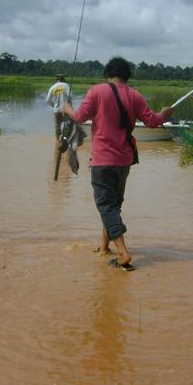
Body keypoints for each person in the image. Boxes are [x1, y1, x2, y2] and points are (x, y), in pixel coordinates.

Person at [63, 57, 173, 268]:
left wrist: (67, 108)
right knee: (113, 204)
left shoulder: (97, 91)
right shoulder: (135, 96)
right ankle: (105, 247)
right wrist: (165, 113)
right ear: (127, 75)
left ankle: (123, 253)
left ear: (108, 73)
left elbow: (79, 116)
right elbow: (153, 122)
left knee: (106, 205)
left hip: (103, 160)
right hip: (124, 161)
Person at [46, 74, 72, 139]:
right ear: (63, 79)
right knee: (66, 124)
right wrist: (70, 106)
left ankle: (58, 140)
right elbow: (70, 96)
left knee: (57, 125)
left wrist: (54, 105)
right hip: (65, 109)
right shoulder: (66, 85)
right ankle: (65, 139)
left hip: (56, 110)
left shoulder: (52, 87)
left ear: (57, 79)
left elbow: (48, 100)